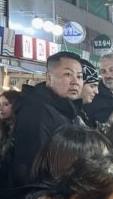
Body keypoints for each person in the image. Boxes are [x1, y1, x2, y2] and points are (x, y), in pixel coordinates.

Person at [9, 51, 84, 187]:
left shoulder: (66, 109)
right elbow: (34, 163)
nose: (75, 82)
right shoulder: (38, 110)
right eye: (68, 74)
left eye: (79, 76)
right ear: (49, 78)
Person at [77, 61, 101, 127]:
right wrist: (111, 121)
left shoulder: (81, 110)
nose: (97, 91)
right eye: (92, 86)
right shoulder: (71, 115)